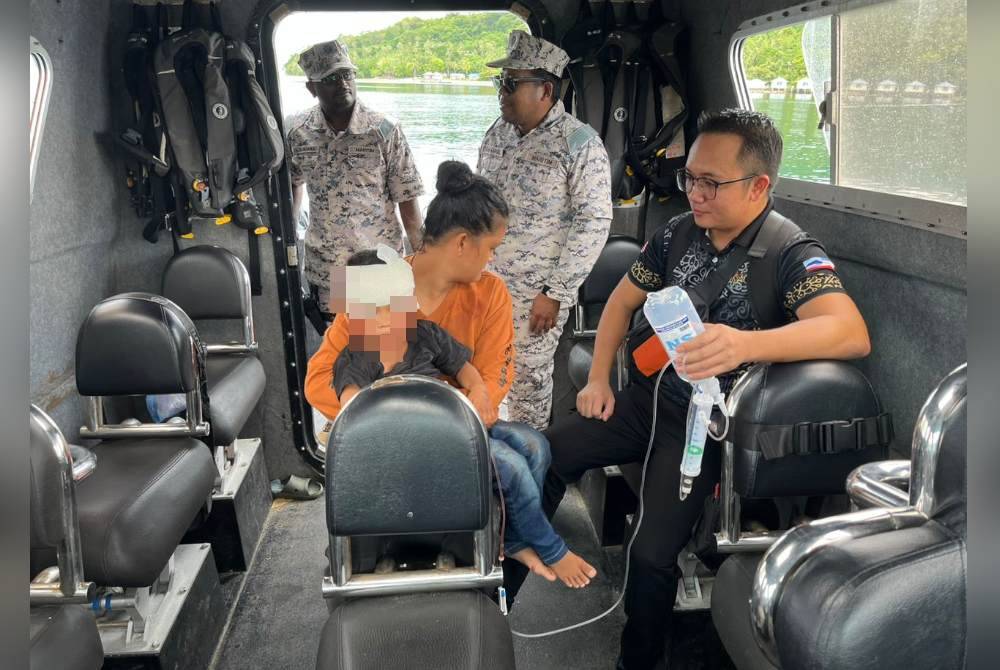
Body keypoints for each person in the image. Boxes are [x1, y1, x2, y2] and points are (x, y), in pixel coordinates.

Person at [506, 109, 872, 668]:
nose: (695, 194)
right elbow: (622, 302)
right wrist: (600, 378)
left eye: (710, 183)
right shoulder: (678, 234)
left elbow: (849, 332)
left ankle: (640, 659)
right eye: (690, 178)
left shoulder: (789, 253)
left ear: (759, 187)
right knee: (546, 452)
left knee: (651, 555)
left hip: (711, 426)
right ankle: (502, 598)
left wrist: (746, 344)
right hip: (650, 398)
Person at [328, 242, 596, 587]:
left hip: (456, 421)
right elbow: (355, 414)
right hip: (414, 447)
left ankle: (511, 537)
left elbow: (467, 371)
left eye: (390, 308)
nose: (383, 321)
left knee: (535, 445)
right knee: (511, 467)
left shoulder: (424, 334)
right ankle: (552, 549)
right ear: (350, 315)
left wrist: (478, 394)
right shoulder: (353, 360)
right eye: (369, 311)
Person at [478, 30, 613, 430]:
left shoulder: (579, 144)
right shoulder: (496, 135)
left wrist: (555, 294)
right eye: (500, 82)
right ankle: (484, 460)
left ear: (546, 90)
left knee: (528, 388)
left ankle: (526, 473)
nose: (502, 92)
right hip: (485, 287)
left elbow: (594, 223)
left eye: (511, 83)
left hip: (535, 295)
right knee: (482, 374)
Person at [287, 39, 424, 322]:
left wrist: (421, 260)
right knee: (340, 354)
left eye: (347, 74)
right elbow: (293, 184)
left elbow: (408, 200)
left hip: (378, 263)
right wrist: (288, 238)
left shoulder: (384, 130)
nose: (343, 84)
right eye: (330, 78)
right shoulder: (297, 133)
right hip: (328, 268)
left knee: (386, 352)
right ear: (311, 88)